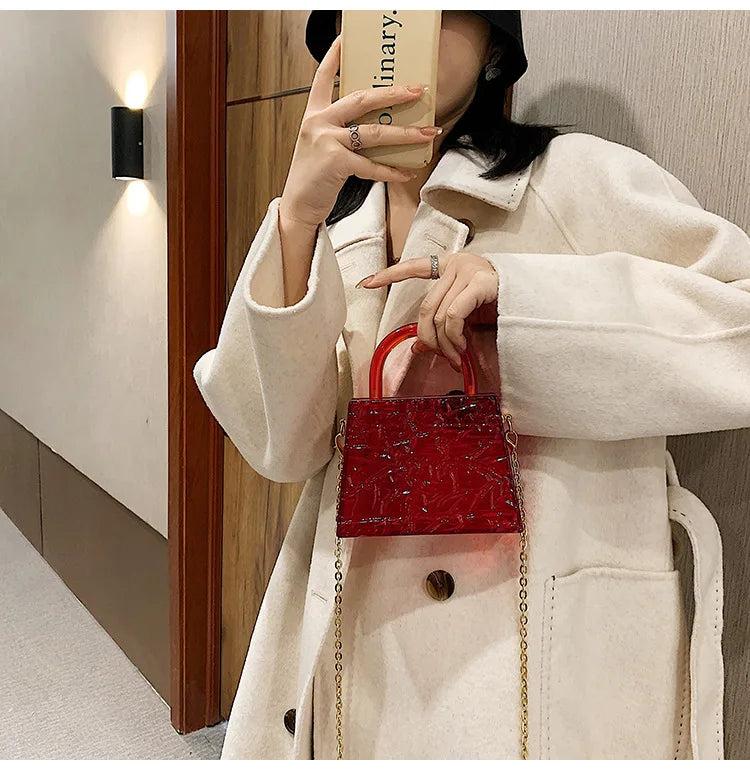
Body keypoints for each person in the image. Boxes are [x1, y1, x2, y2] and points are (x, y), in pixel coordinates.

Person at [193, 10, 750, 760]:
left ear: (494, 46)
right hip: (368, 654)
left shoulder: (573, 179)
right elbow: (282, 447)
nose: (405, 23)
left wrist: (522, 301)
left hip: (539, 655)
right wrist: (297, 213)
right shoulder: (333, 229)